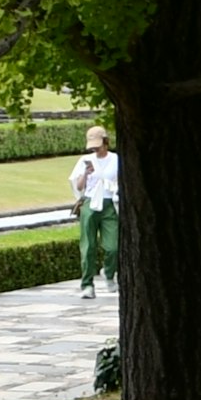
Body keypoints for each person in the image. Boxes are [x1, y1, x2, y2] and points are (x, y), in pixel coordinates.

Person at [70, 123, 121, 292]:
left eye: (97, 146)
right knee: (88, 246)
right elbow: (78, 186)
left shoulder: (116, 159)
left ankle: (108, 273)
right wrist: (86, 173)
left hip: (109, 204)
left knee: (112, 246)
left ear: (105, 142)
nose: (95, 150)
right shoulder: (86, 161)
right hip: (90, 203)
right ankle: (87, 284)